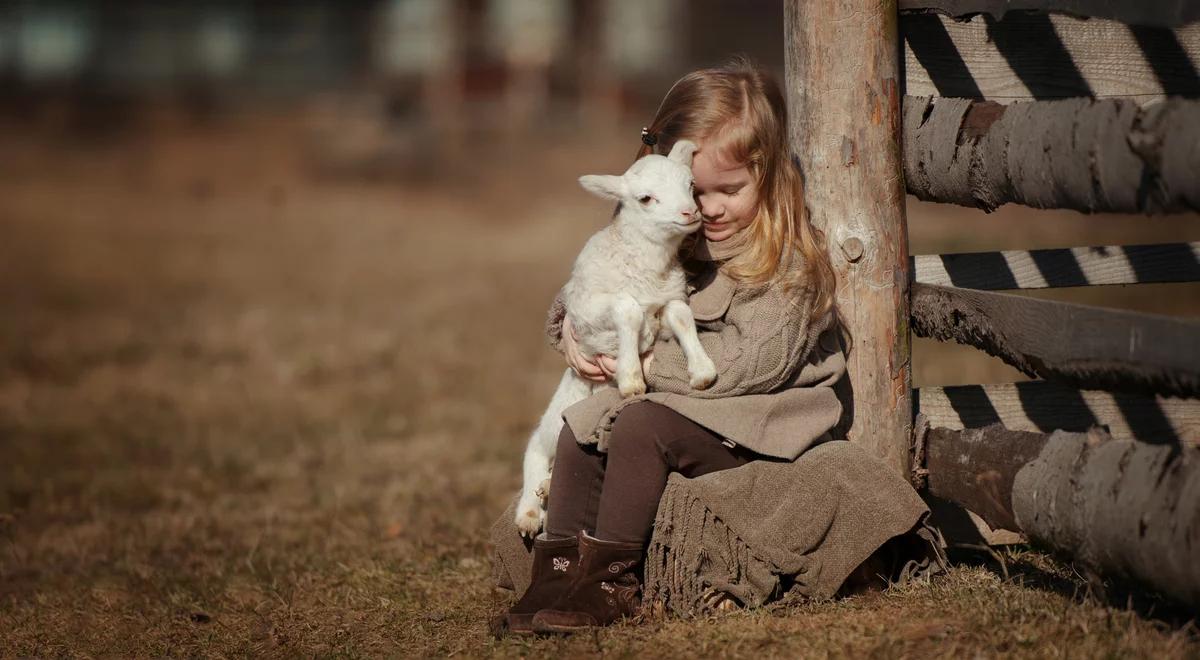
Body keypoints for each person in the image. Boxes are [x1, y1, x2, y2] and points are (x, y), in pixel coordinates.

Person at [505, 57, 848, 635]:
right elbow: (600, 277)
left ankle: (609, 582)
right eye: (694, 189)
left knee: (637, 425)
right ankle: (557, 571)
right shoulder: (677, 233)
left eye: (729, 190)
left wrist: (632, 361)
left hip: (757, 433)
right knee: (584, 419)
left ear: (769, 176)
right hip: (684, 414)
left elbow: (745, 368)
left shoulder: (787, 262)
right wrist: (572, 326)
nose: (706, 208)